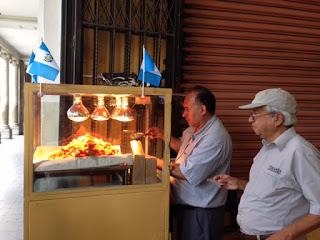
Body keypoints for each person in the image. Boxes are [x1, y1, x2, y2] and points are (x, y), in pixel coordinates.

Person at [212, 88, 320, 240]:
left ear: (277, 118)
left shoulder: (300, 152)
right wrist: (240, 184)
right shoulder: (267, 147)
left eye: (255, 114)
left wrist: (282, 236)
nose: (250, 120)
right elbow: (277, 189)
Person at [147, 85, 232, 240]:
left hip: (202, 213)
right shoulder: (194, 129)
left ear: (202, 109)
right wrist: (163, 136)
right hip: (186, 206)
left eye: (187, 108)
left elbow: (188, 172)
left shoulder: (215, 137)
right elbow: (184, 148)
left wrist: (150, 161)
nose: (183, 114)